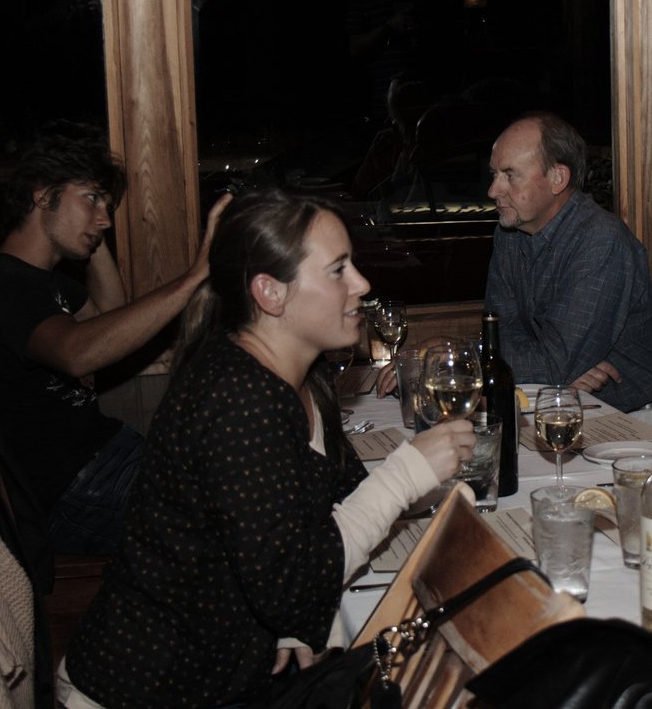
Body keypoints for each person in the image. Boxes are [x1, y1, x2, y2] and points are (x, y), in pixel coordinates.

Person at [58, 188, 475, 708]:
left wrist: (292, 621)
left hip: (218, 679)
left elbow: (336, 502)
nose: (362, 284)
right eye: (338, 270)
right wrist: (407, 472)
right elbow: (293, 585)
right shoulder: (238, 397)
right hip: (145, 689)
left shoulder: (302, 380)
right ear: (270, 294)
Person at [0, 121, 231, 555]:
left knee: (238, 467)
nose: (106, 218)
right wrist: (196, 276)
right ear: (42, 195)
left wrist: (89, 230)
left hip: (106, 459)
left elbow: (107, 316)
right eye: (92, 198)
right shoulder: (2, 286)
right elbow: (78, 353)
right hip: (73, 491)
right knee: (236, 517)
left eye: (107, 205)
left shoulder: (43, 280)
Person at [484, 112, 652, 412]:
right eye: (494, 175)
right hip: (560, 403)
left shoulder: (601, 240)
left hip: (636, 417)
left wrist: (553, 371)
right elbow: (501, 334)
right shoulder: (509, 234)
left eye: (510, 175)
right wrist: (558, 374)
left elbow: (553, 364)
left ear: (558, 178)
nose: (493, 190)